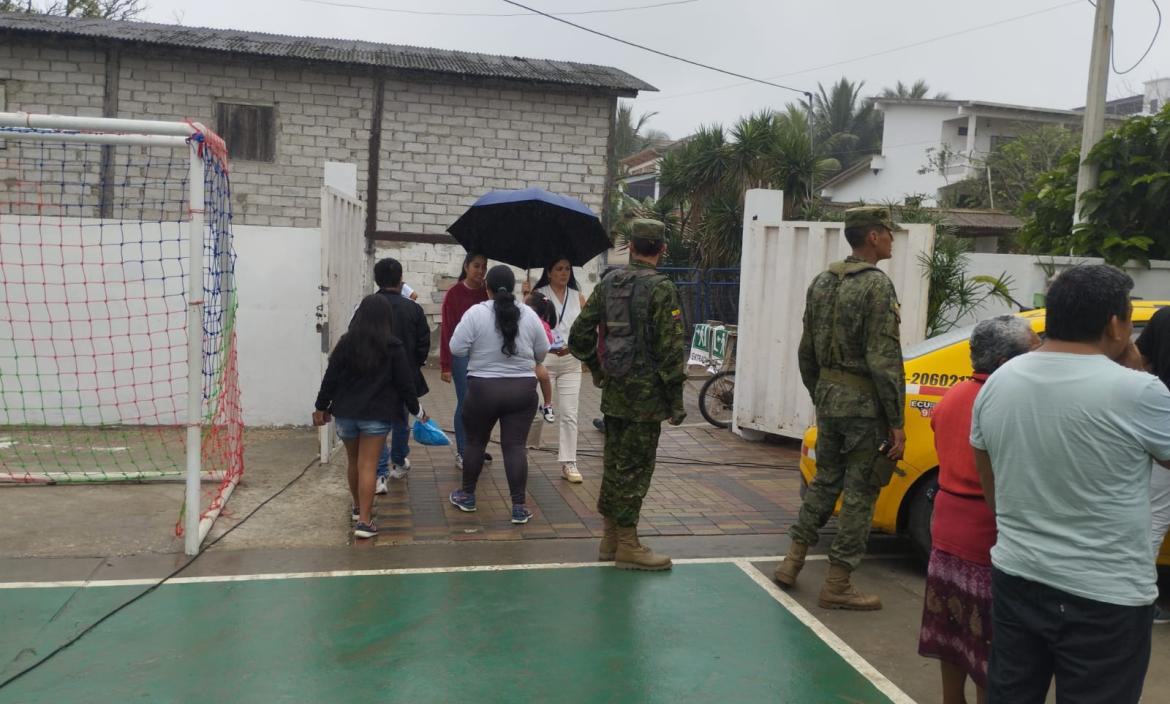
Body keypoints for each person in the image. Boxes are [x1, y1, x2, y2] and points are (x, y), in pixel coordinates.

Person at [971, 265, 1170, 704]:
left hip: (1018, 575)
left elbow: (992, 485)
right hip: (1107, 595)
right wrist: (1137, 371)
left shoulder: (999, 381)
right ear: (1116, 324)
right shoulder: (1138, 392)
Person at [773, 205, 906, 611]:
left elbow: (806, 351)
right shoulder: (877, 287)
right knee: (860, 492)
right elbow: (884, 360)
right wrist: (897, 422)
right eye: (888, 231)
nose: (891, 238)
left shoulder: (821, 283)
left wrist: (824, 392)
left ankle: (791, 561)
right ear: (873, 236)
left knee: (825, 481)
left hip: (830, 400)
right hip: (865, 408)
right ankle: (838, 583)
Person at [918, 316, 1039, 704]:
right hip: (987, 535)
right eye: (1035, 352)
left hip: (947, 528)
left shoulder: (953, 396)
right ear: (1007, 363)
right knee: (990, 642)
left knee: (951, 629)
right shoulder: (1008, 402)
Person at [570, 218, 687, 571]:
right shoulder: (662, 288)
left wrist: (600, 368)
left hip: (616, 392)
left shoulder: (609, 284)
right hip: (647, 401)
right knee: (635, 470)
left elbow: (578, 337)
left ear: (630, 248)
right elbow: (670, 350)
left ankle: (610, 538)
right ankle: (628, 544)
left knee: (614, 465)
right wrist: (676, 401)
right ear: (662, 249)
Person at [313, 294, 424, 539]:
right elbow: (406, 384)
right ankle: (364, 522)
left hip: (346, 414)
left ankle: (356, 507)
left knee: (354, 462)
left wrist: (321, 407)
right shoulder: (393, 346)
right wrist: (418, 411)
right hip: (377, 415)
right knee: (369, 465)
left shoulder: (345, 343)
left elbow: (330, 378)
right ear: (387, 319)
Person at [447, 265, 549, 524]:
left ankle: (467, 496)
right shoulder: (528, 313)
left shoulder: (475, 314)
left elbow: (456, 347)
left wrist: (480, 355)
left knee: (475, 443)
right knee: (515, 447)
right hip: (522, 391)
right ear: (513, 287)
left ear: (487, 288)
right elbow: (542, 351)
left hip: (482, 390)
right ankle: (518, 507)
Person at [524, 258, 589, 483]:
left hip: (571, 361)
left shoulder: (577, 296)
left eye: (567, 269)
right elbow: (526, 323)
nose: (564, 273)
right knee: (536, 413)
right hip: (544, 362)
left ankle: (569, 462)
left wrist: (582, 351)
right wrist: (525, 299)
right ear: (549, 272)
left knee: (570, 414)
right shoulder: (537, 294)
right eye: (559, 269)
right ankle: (525, 448)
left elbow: (586, 328)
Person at [371, 258, 431, 494]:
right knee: (400, 419)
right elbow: (423, 343)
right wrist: (414, 365)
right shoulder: (413, 309)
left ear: (377, 279)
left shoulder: (368, 306)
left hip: (374, 376)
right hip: (405, 375)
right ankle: (398, 461)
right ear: (400, 279)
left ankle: (379, 475)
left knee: (376, 426)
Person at [1135, 306, 1170, 625]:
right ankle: (1141, 602)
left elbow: (1139, 362)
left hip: (1160, 426)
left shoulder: (1163, 317)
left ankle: (1142, 600)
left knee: (1155, 517)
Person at [440, 253, 490, 470]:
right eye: (476, 266)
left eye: (484, 267)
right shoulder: (454, 293)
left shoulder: (488, 292)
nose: (480, 271)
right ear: (466, 266)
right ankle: (462, 452)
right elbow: (447, 330)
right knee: (466, 403)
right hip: (461, 355)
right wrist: (446, 365)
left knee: (484, 405)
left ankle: (477, 447)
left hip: (485, 355)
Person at [526, 290, 560, 424]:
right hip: (523, 359)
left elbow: (547, 343)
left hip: (533, 360)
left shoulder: (541, 325)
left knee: (544, 375)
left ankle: (547, 404)